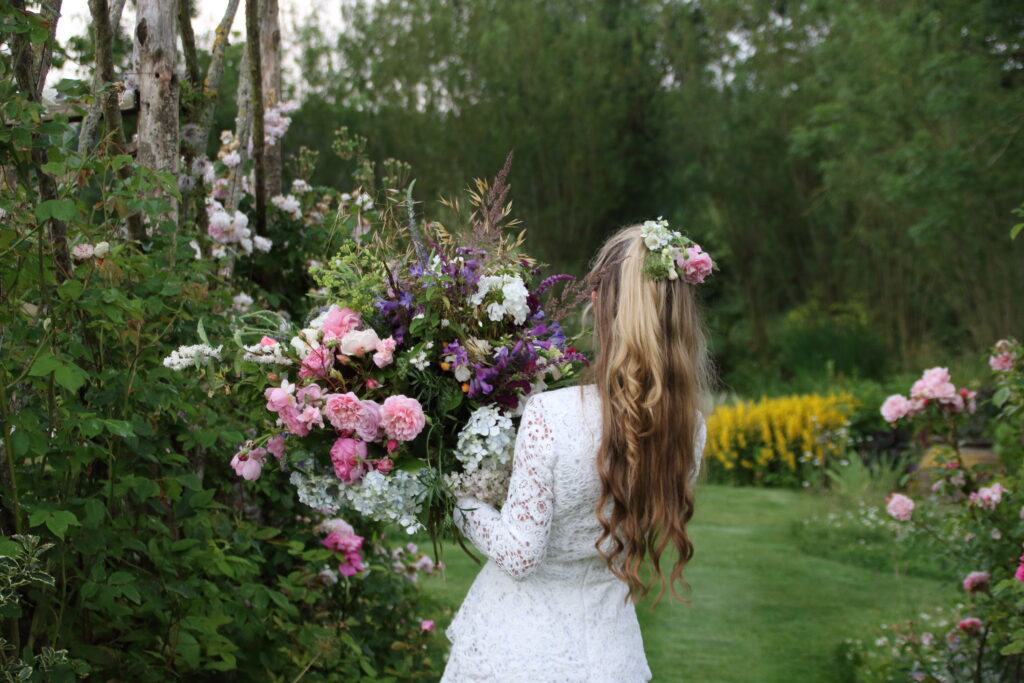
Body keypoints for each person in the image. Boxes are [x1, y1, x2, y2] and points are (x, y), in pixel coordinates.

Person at [442, 220, 715, 682]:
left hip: (518, 652)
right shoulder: (690, 429)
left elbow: (519, 554)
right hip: (613, 655)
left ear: (598, 306)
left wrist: (457, 497)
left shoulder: (551, 414)